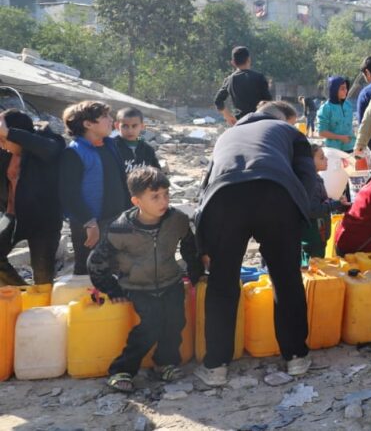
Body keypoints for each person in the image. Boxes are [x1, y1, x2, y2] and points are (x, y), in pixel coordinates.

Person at [194, 100, 321, 386]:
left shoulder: (227, 135)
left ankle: (216, 366)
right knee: (285, 278)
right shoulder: (290, 132)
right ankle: (296, 357)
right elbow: (307, 177)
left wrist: (204, 242)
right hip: (275, 195)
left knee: (222, 282)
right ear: (283, 119)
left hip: (224, 198)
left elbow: (206, 185)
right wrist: (298, 215)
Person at [88, 167, 202, 392]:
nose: (164, 201)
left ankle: (165, 363)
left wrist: (195, 272)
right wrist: (112, 289)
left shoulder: (177, 220)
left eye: (166, 194)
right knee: (151, 325)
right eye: (155, 197)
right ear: (136, 201)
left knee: (175, 322)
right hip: (137, 286)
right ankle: (122, 369)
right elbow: (96, 262)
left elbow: (190, 246)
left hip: (171, 282)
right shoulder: (121, 228)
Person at [58, 101, 132, 276]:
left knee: (116, 269)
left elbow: (121, 180)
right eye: (105, 116)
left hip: (117, 219)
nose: (111, 120)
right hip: (91, 223)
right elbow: (69, 194)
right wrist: (89, 223)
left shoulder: (110, 145)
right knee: (88, 270)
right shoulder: (74, 153)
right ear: (88, 124)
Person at [0, 110, 65, 286]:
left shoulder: (48, 143)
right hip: (13, 216)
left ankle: (41, 299)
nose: (1, 144)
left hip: (43, 222)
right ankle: (23, 292)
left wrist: (9, 133)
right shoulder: (5, 153)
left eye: (3, 138)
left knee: (43, 277)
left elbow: (51, 149)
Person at [214, 46, 273, 126]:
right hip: (258, 122)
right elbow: (268, 102)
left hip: (240, 123)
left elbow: (218, 101)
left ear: (233, 62)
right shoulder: (259, 77)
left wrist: (228, 116)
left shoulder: (229, 80)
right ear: (249, 59)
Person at [113, 108, 161, 175]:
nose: (130, 131)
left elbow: (157, 174)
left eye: (134, 126)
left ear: (142, 126)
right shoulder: (111, 147)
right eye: (125, 126)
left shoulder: (148, 150)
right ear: (117, 126)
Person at [316, 76, 354, 151]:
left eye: (346, 88)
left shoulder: (348, 105)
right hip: (333, 150)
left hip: (350, 147)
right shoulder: (326, 108)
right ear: (334, 89)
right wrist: (341, 138)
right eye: (342, 89)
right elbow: (321, 132)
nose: (345, 91)